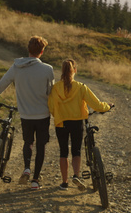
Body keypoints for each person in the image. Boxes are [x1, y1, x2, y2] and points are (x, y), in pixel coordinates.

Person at [0, 36, 55, 190]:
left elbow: (2, 83)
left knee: (28, 142)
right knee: (41, 146)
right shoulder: (47, 69)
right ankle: (35, 180)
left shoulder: (16, 67)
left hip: (25, 115)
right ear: (42, 51)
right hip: (43, 114)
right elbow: (51, 91)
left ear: (28, 49)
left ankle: (26, 168)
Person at [48, 59, 113, 191]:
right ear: (75, 70)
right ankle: (76, 175)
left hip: (61, 123)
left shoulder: (56, 88)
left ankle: (64, 182)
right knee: (76, 150)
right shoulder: (81, 87)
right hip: (77, 122)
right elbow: (96, 105)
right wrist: (108, 106)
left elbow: (51, 106)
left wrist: (59, 115)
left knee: (63, 152)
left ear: (62, 71)